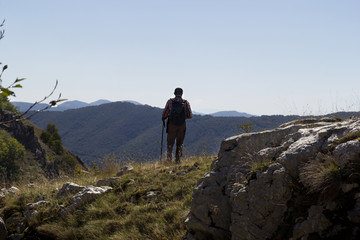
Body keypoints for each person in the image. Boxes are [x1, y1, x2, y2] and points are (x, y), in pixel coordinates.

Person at [162, 87, 192, 163]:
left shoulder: (170, 101)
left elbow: (165, 113)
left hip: (172, 124)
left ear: (174, 93)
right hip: (182, 125)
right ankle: (178, 160)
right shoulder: (185, 102)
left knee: (170, 143)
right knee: (179, 143)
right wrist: (183, 117)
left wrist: (164, 118)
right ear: (182, 94)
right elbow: (190, 115)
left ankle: (169, 160)